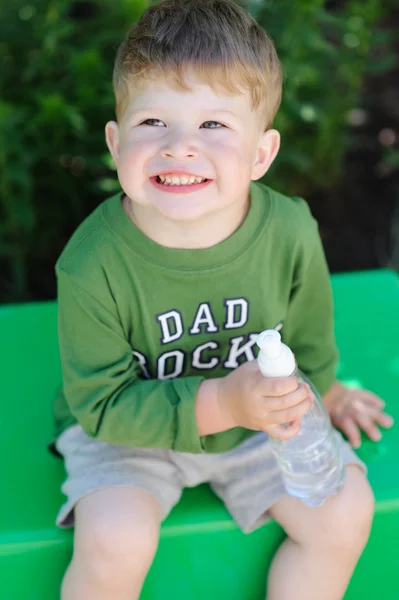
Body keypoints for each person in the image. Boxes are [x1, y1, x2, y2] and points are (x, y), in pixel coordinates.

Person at [53, 1, 394, 598]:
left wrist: (326, 390)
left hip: (261, 425)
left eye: (214, 125)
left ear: (261, 153)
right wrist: (223, 402)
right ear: (115, 140)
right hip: (133, 436)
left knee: (344, 511)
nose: (180, 146)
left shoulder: (289, 230)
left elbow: (310, 331)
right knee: (115, 538)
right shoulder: (92, 263)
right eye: (153, 122)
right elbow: (101, 405)